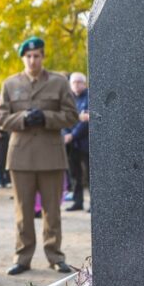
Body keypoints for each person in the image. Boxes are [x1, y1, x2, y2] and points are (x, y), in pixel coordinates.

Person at [0, 36, 78, 275]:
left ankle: (55, 255)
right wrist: (22, 118)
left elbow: (71, 115)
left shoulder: (59, 82)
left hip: (51, 155)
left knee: (52, 210)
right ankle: (22, 257)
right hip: (21, 157)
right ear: (23, 58)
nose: (33, 60)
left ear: (43, 57)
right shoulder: (10, 84)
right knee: (23, 210)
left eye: (37, 56)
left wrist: (46, 117)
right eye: (29, 56)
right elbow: (1, 118)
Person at [63, 72, 89, 211]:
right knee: (75, 174)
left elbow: (86, 122)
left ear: (85, 83)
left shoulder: (90, 97)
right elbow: (64, 118)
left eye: (80, 82)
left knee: (90, 174)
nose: (77, 84)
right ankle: (78, 202)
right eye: (74, 82)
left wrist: (72, 135)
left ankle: (94, 204)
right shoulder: (68, 99)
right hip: (72, 144)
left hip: (85, 142)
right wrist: (66, 134)